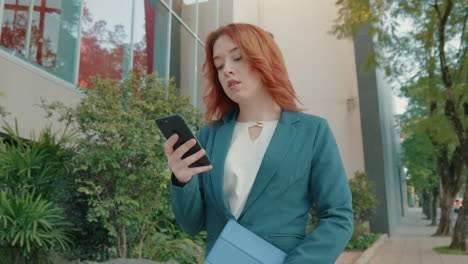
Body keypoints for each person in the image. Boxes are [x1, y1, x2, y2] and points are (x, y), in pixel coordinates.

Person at [163, 23, 353, 263]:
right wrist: (182, 179)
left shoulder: (312, 131)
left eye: (238, 58)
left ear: (264, 60)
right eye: (219, 65)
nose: (227, 70)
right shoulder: (209, 135)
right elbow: (191, 224)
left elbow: (338, 216)